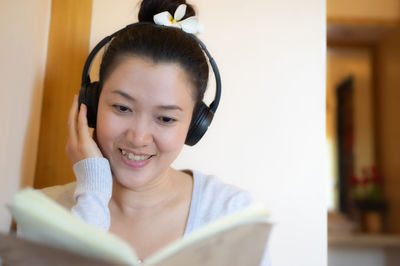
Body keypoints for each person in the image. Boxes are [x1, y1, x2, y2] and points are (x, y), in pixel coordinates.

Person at [41, 0, 270, 264]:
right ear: (90, 104)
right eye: (122, 107)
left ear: (195, 125)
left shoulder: (231, 216)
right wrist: (92, 195)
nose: (138, 137)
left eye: (165, 118)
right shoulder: (44, 214)